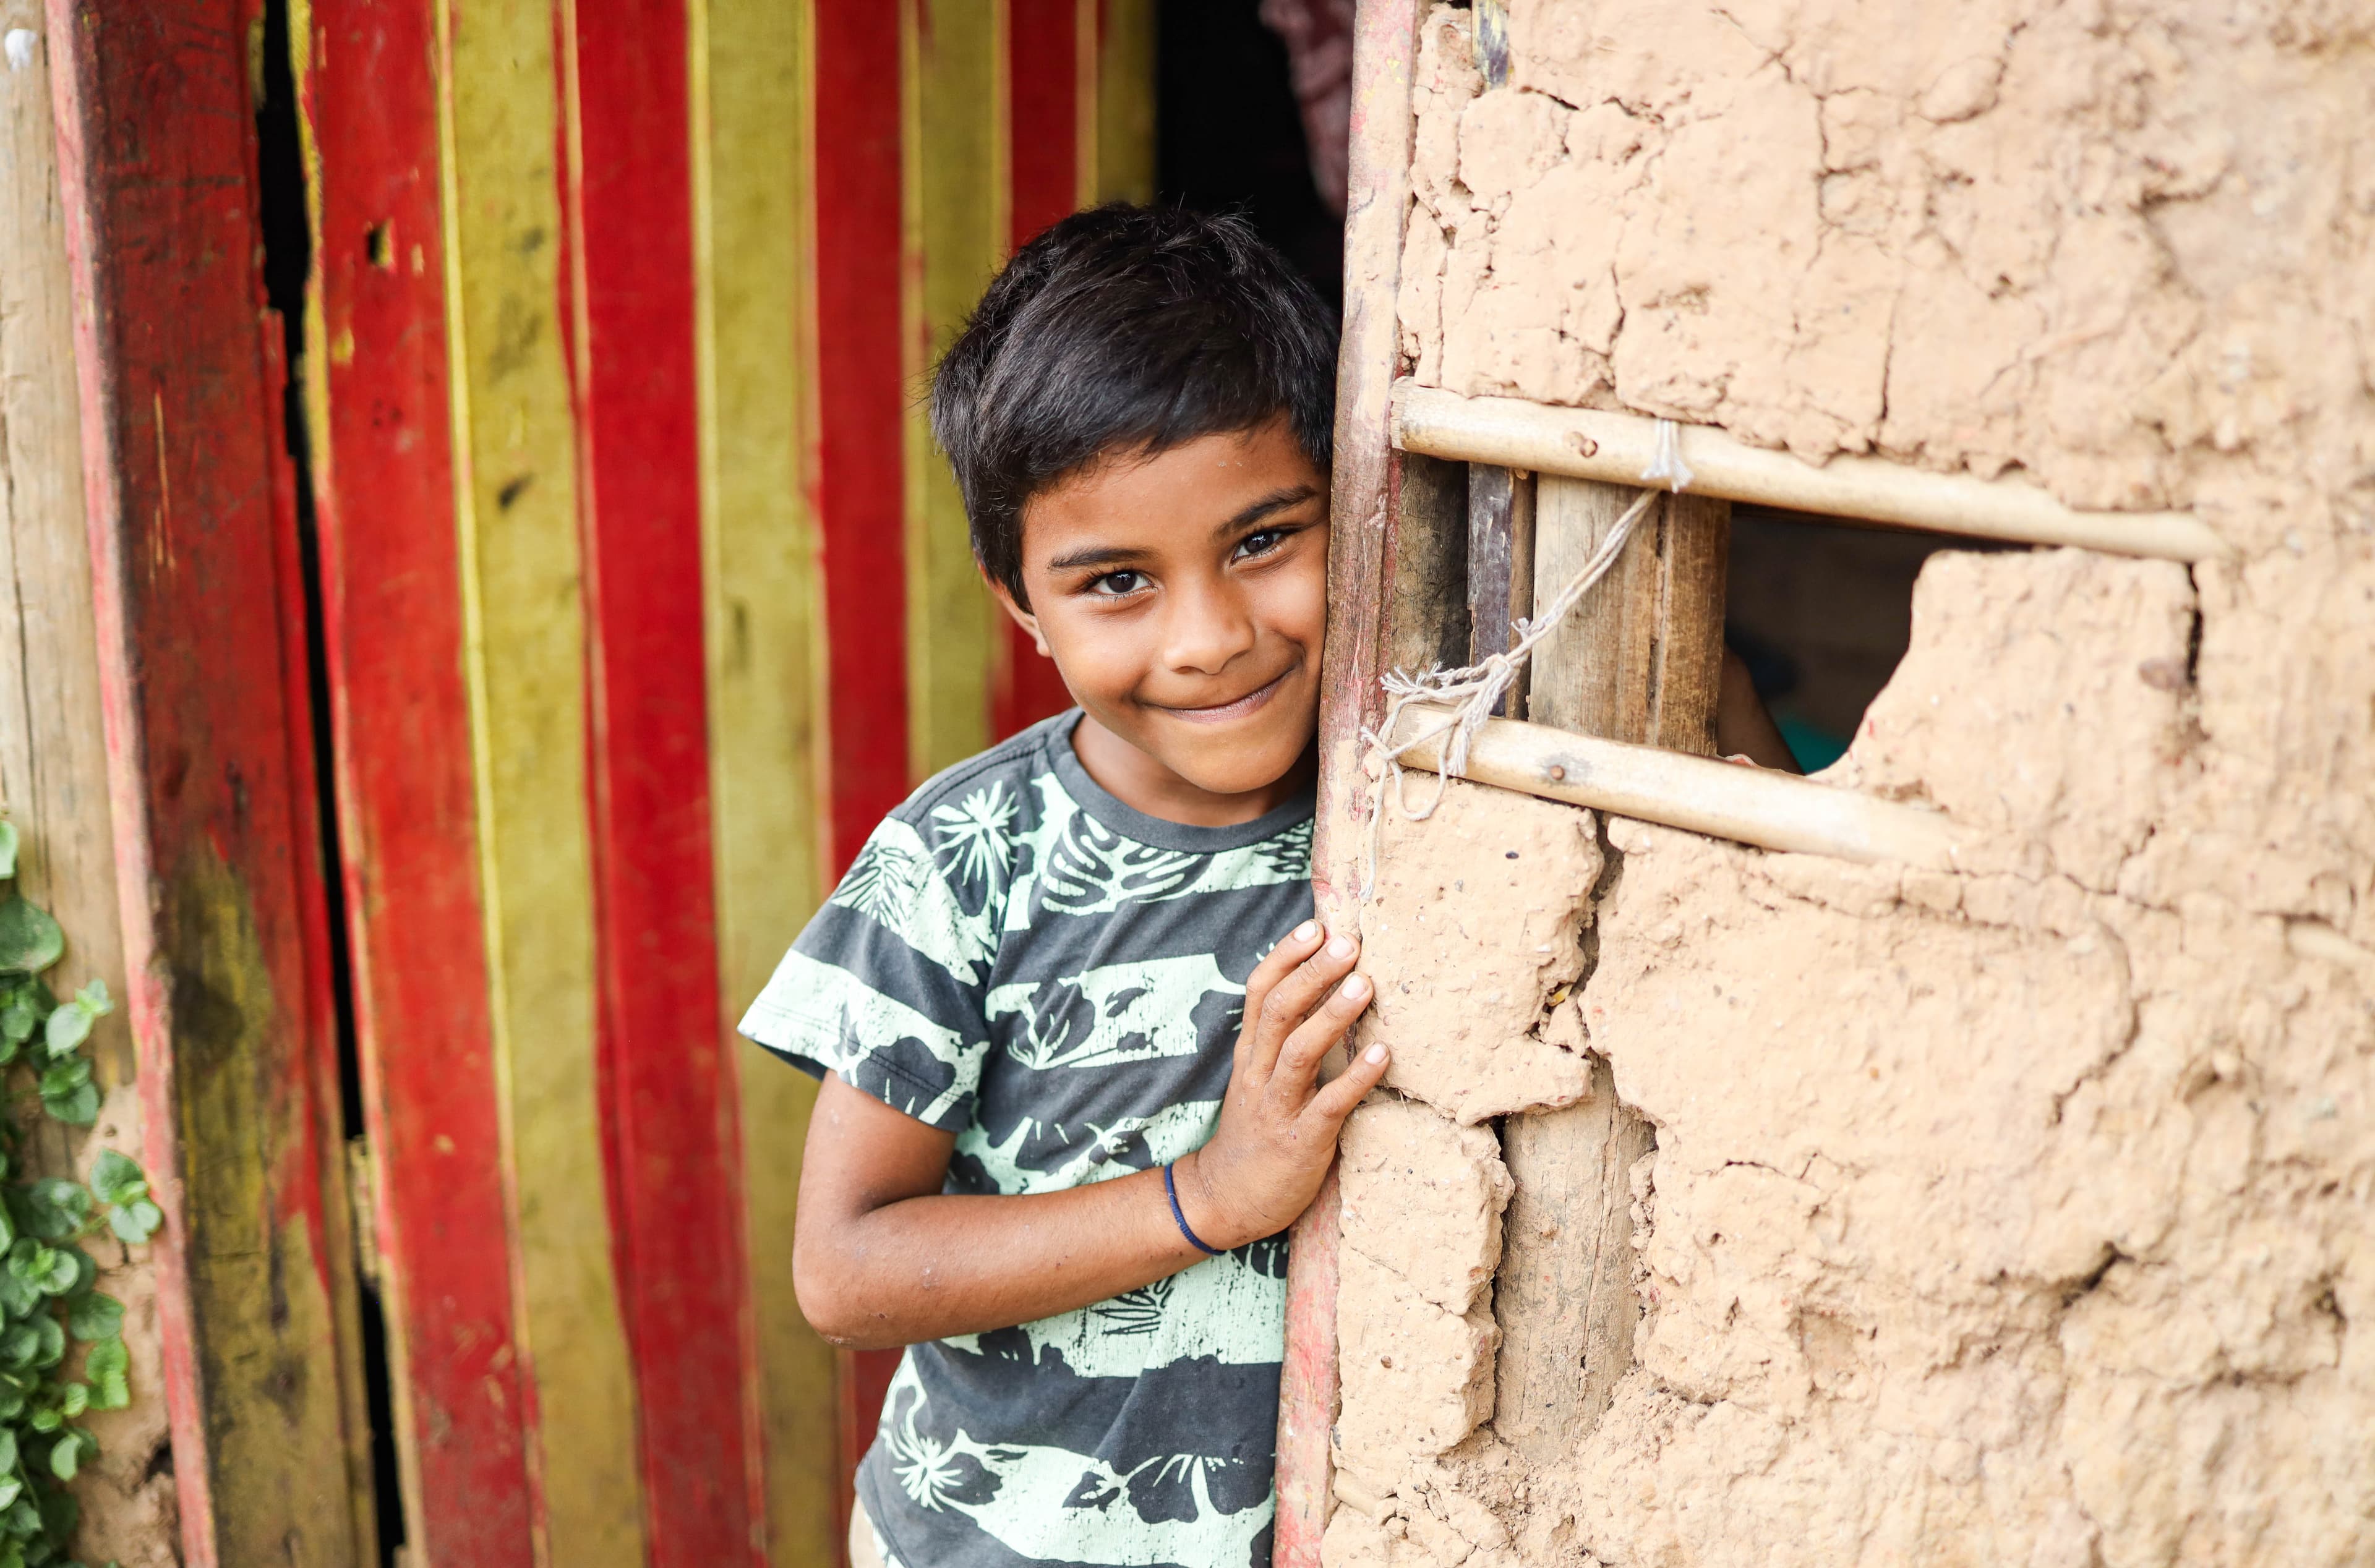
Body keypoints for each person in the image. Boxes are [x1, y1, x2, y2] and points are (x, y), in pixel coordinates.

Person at [740, 204, 1377, 1568]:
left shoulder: (1402, 808)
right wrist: (1212, 1191)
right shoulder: (963, 861)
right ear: (1023, 604)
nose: (1208, 638)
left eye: (1265, 539)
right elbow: (843, 1269)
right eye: (1117, 582)